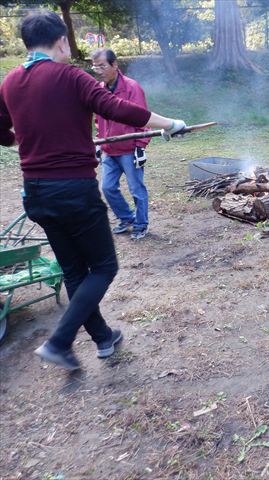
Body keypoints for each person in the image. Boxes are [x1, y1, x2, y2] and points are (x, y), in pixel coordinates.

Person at [0, 10, 186, 371]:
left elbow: (0, 130)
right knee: (103, 266)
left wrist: (17, 140)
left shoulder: (9, 83)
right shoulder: (71, 77)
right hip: (73, 190)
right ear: (61, 41)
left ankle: (103, 338)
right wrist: (171, 124)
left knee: (74, 271)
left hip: (35, 192)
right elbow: (117, 108)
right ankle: (58, 342)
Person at [93, 48, 151, 240]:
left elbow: (143, 118)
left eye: (102, 65)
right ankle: (127, 218)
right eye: (95, 66)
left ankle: (141, 224)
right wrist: (99, 144)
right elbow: (98, 120)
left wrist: (140, 146)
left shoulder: (131, 87)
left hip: (129, 149)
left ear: (114, 65)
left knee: (136, 189)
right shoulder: (99, 91)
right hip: (109, 149)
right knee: (107, 188)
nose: (98, 70)